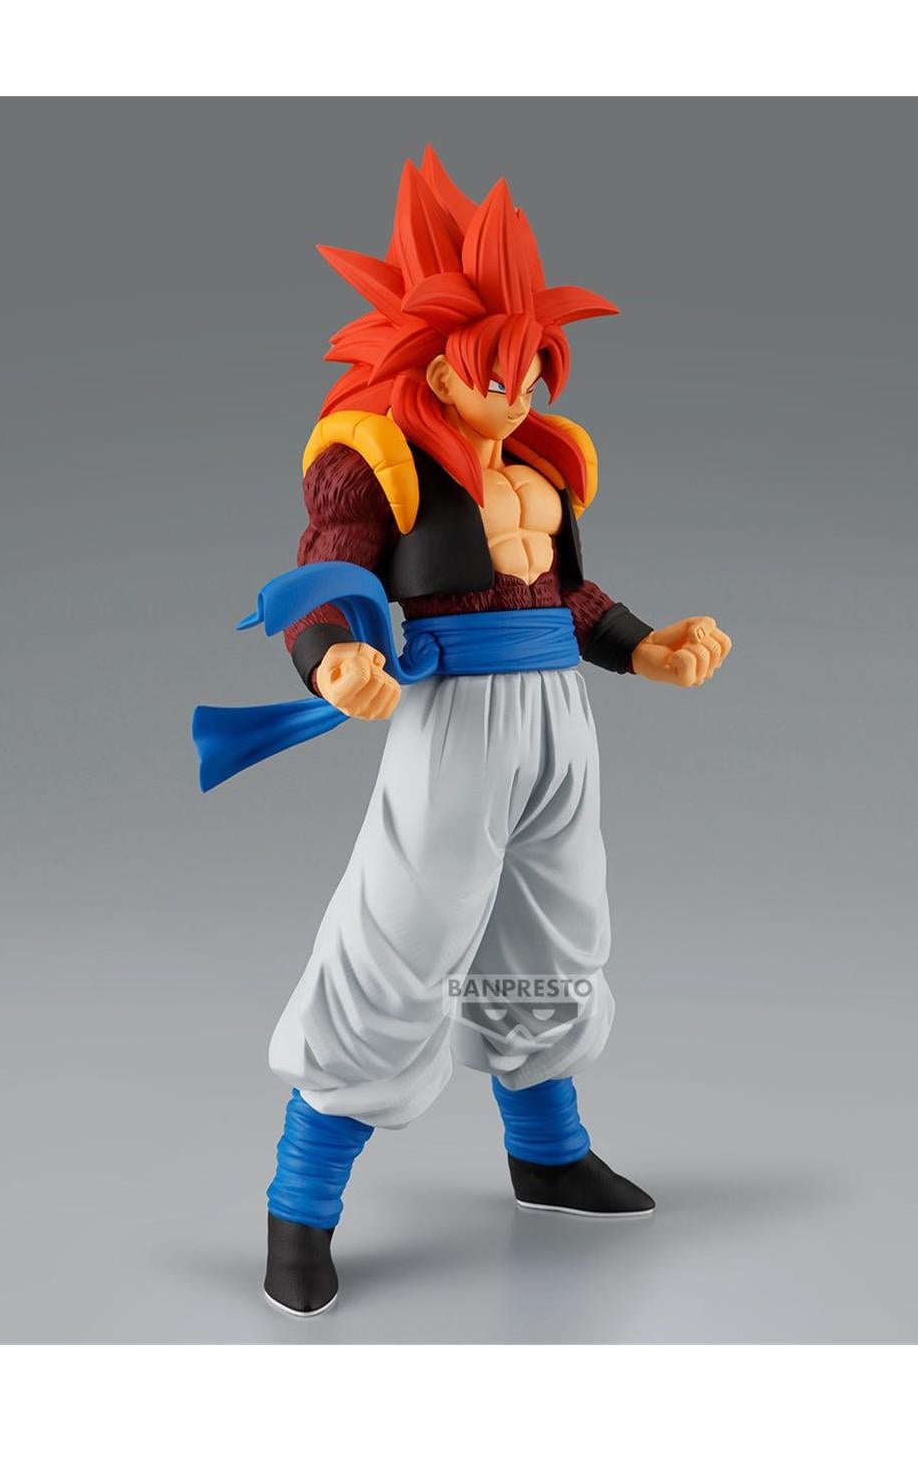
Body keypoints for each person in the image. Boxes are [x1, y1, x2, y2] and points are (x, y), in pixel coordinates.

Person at [193, 148, 731, 1317]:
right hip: (455, 719)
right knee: (401, 936)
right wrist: (336, 653)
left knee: (556, 927)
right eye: (503, 370)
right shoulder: (378, 456)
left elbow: (563, 597)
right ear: (441, 365)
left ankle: (548, 1152)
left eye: (537, 367)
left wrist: (645, 645)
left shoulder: (538, 462)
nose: (525, 391)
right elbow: (325, 567)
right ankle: (300, 1202)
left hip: (558, 716)